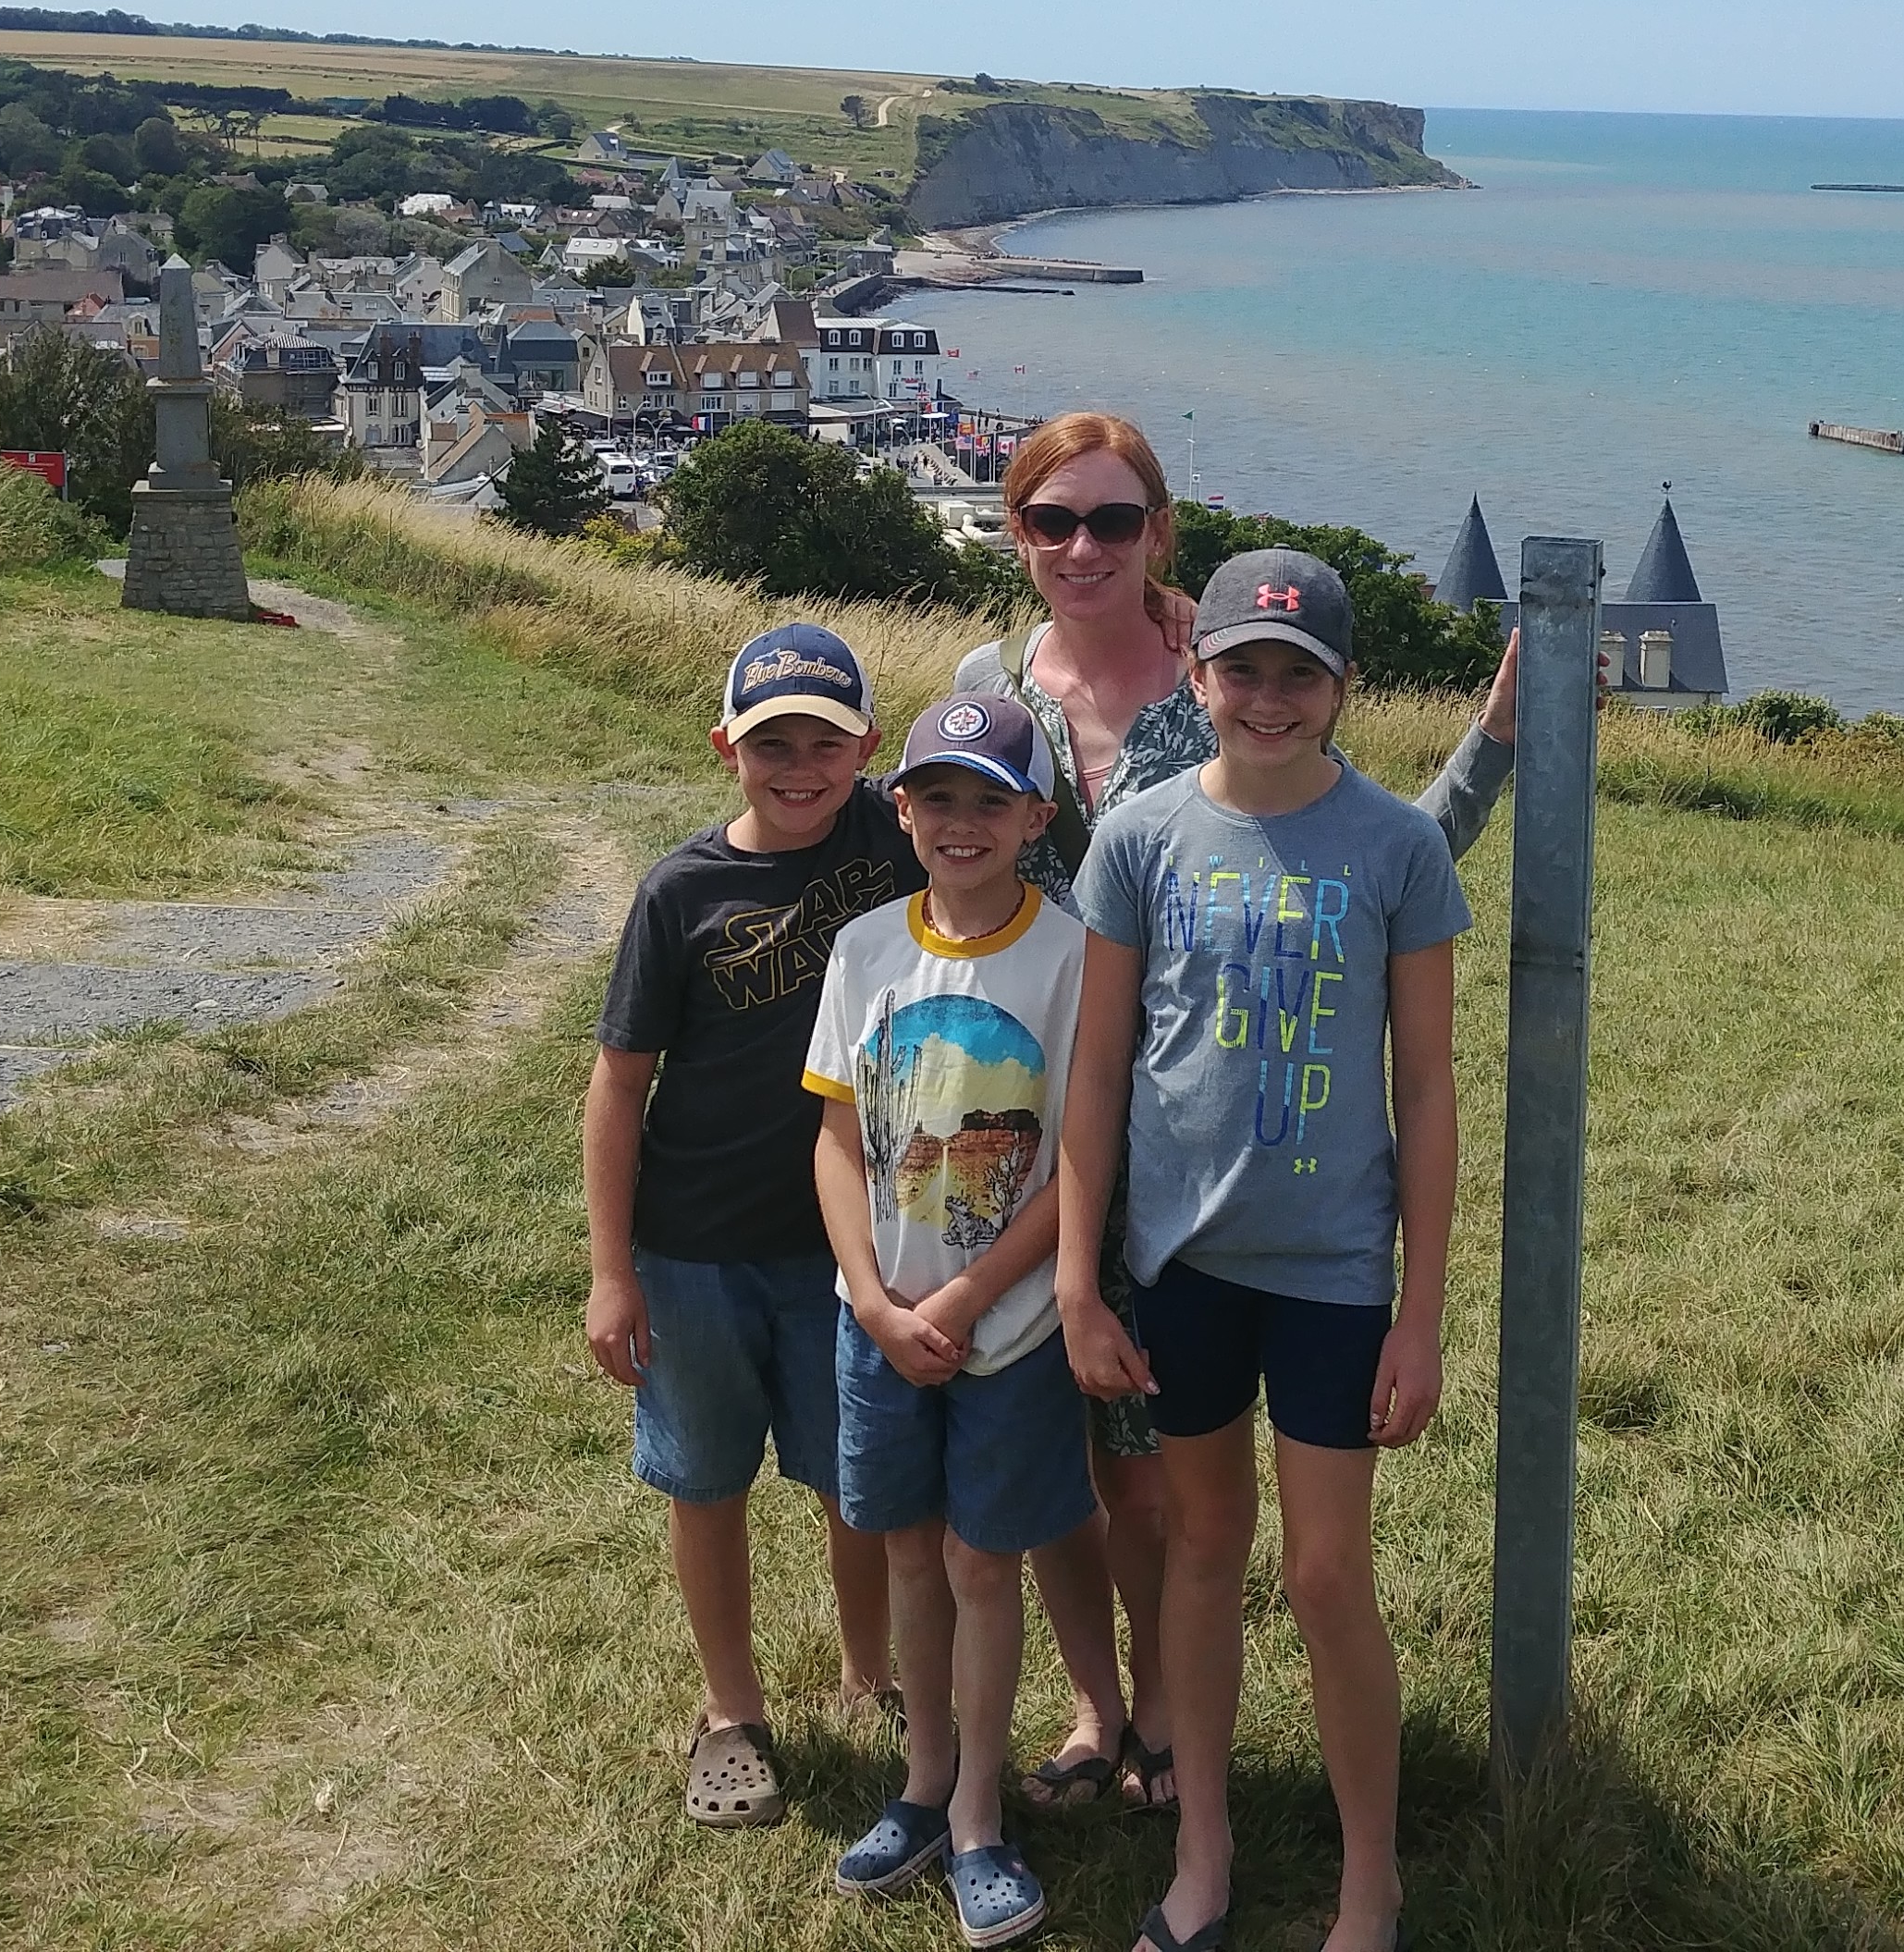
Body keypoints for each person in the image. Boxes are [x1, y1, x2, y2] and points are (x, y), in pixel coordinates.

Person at [951, 411, 1515, 1818]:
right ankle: (1099, 1704)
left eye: (1114, 519)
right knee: (1060, 1446)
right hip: (1034, 1103)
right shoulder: (989, 684)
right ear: (1019, 534)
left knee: (1163, 1488)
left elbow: (1353, 854)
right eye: (1053, 520)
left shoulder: (1213, 667)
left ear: (1159, 534)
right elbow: (942, 843)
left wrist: (1500, 736)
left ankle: (1165, 1713)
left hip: (1202, 1144)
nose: (1084, 546)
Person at [1059, 549, 1468, 1952]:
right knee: (1201, 1548)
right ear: (1198, 674)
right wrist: (1078, 1282)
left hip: (1335, 1273)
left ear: (1345, 688)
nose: (1271, 699)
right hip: (1184, 1266)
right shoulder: (1142, 838)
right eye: (1244, 670)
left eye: (1302, 674)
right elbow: (1098, 1070)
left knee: (1326, 1575)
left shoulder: (1398, 846)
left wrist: (1420, 1314)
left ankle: (1370, 1880)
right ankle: (1206, 1851)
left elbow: (1427, 1090)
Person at [583, 620, 908, 1831]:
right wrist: (612, 1272)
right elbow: (619, 1083)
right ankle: (733, 1711)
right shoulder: (681, 892)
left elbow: (1011, 748)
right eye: (772, 744)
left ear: (867, 748)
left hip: (852, 1242)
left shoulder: (899, 832)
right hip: (697, 1241)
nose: (800, 768)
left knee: (857, 1476)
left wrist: (1162, 615)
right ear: (726, 748)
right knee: (705, 1479)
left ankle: (872, 1676)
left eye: (826, 743)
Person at [806, 694, 1095, 1948]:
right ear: (901, 807)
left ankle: (979, 1811)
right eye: (938, 797)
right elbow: (835, 1139)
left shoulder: (1072, 958)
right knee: (911, 1554)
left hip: (1010, 1328)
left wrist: (972, 1296)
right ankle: (922, 1782)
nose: (961, 822)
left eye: (991, 800)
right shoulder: (866, 948)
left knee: (984, 1562)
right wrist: (874, 1300)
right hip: (877, 1323)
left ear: (1037, 817)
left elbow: (1081, 1158)